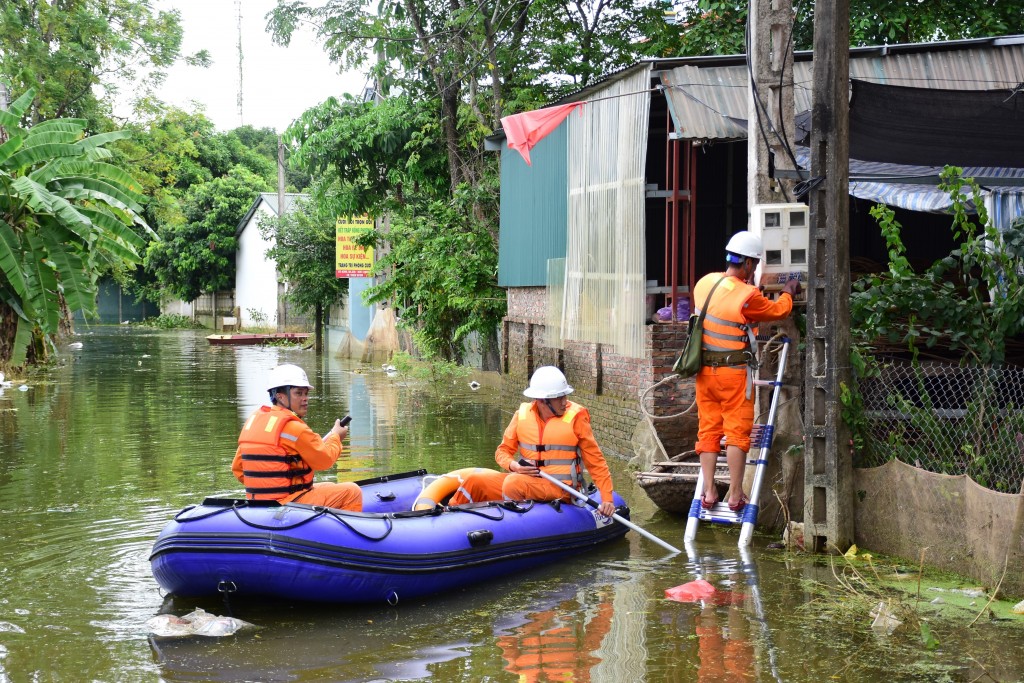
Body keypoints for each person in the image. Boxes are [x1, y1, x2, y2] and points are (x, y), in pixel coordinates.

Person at [693, 231, 800, 512]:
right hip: (734, 374)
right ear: (750, 265)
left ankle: (709, 491)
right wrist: (788, 290)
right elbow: (778, 311)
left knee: (708, 431)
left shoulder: (704, 283)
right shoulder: (748, 296)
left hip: (704, 372)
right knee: (737, 432)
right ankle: (736, 495)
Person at [231, 363, 362, 511]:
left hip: (260, 503)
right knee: (352, 491)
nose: (305, 399)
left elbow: (238, 469)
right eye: (298, 393)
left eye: (306, 393)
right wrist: (336, 437)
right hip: (285, 504)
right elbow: (324, 461)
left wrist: (269, 487)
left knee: (329, 486)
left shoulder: (253, 422)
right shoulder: (295, 428)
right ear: (280, 396)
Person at [489, 366, 616, 517]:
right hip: (531, 480)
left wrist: (607, 499)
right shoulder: (521, 415)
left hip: (563, 488)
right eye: (559, 398)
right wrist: (514, 466)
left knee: (512, 484)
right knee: (479, 480)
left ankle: (515, 524)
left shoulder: (577, 418)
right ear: (542, 401)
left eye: (565, 396)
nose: (564, 402)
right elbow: (502, 451)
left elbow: (596, 462)